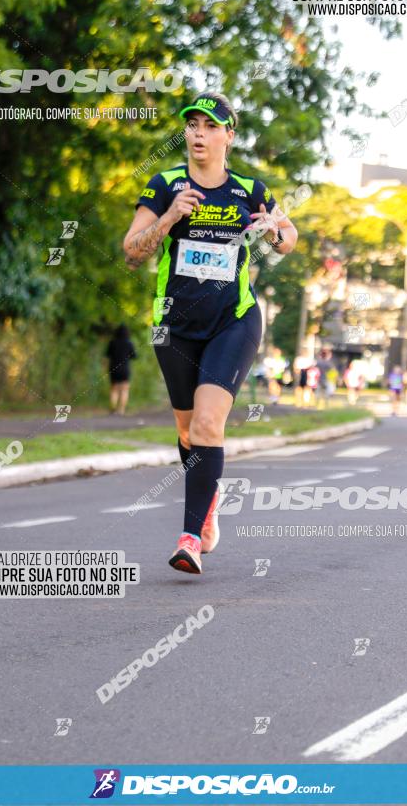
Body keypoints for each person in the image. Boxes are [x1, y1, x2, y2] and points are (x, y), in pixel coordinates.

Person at [123, 91, 298, 574]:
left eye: (209, 125)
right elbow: (132, 252)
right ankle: (211, 498)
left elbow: (289, 238)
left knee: (207, 426)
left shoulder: (249, 189)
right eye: (192, 124)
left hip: (233, 320)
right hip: (174, 324)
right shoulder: (165, 185)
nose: (198, 132)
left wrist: (272, 231)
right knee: (186, 430)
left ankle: (189, 538)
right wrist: (171, 216)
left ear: (228, 135)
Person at [105, 325, 136, 415]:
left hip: (114, 369)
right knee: (124, 390)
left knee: (114, 389)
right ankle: (121, 410)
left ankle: (113, 408)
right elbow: (134, 356)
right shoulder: (129, 343)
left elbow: (108, 355)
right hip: (125, 369)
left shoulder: (112, 342)